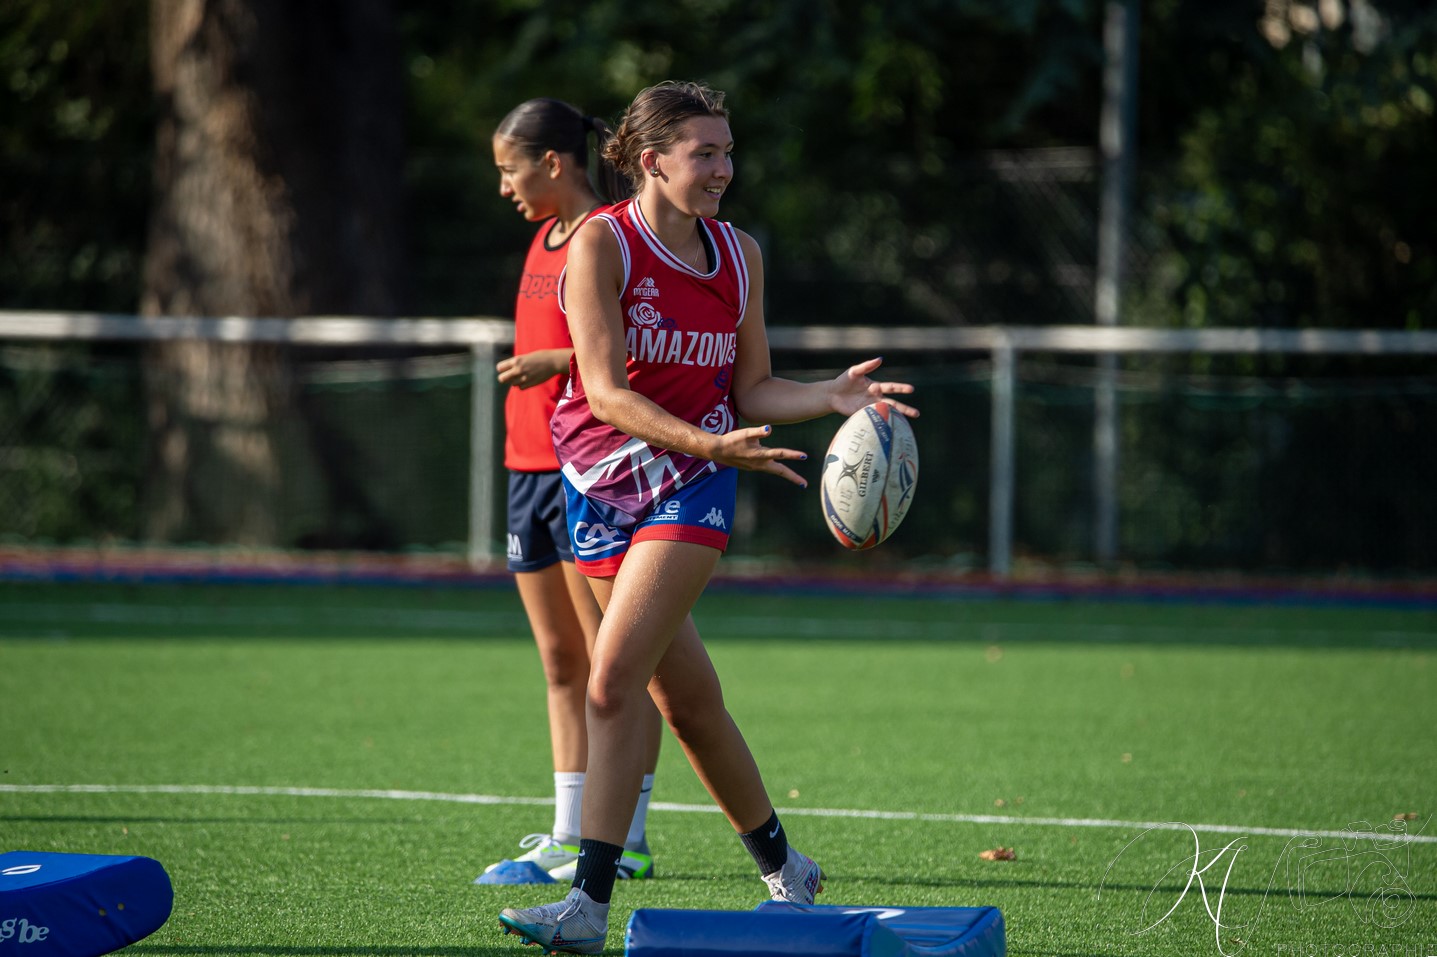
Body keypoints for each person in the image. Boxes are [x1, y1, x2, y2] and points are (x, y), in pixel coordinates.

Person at [497, 80, 918, 953]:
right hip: (598, 483)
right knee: (683, 700)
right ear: (651, 161)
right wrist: (708, 436)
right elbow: (605, 392)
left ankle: (586, 904)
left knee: (610, 684)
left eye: (728, 151)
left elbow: (751, 389)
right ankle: (784, 866)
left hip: (693, 482)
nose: (725, 168)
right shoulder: (602, 245)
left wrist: (827, 396)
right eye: (706, 152)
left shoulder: (739, 254)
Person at [481, 98, 663, 884]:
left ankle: (625, 837)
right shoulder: (540, 237)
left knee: (615, 662)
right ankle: (565, 829)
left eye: (509, 169)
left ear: (552, 162)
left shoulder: (613, 235)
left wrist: (554, 362)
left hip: (588, 470)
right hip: (527, 469)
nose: (503, 187)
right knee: (559, 659)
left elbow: (625, 349)